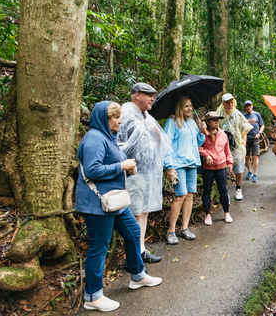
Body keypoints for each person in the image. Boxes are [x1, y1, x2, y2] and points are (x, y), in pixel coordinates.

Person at [76, 101, 162, 312]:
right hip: (98, 204)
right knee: (99, 247)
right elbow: (92, 169)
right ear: (103, 120)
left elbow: (112, 163)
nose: (119, 121)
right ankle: (93, 296)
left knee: (133, 233)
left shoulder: (108, 137)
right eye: (115, 117)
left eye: (119, 116)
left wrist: (126, 168)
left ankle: (137, 275)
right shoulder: (94, 138)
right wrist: (121, 166)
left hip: (115, 200)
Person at [117, 83, 172, 264]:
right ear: (136, 95)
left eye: (153, 95)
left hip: (148, 172)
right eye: (148, 95)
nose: (152, 98)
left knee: (144, 211)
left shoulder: (146, 116)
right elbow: (118, 144)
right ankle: (131, 257)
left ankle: (140, 251)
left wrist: (153, 129)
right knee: (135, 212)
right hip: (133, 173)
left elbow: (160, 142)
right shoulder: (125, 113)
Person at [164, 96, 206, 245]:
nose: (189, 109)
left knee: (190, 196)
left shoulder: (193, 124)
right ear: (179, 108)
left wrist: (201, 132)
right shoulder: (173, 122)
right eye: (185, 106)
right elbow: (166, 144)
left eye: (190, 106)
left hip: (192, 163)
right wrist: (169, 166)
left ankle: (184, 228)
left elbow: (197, 143)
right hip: (178, 164)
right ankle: (171, 231)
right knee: (180, 196)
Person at [199, 111, 234, 225]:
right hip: (208, 167)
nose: (216, 122)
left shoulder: (223, 135)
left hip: (221, 166)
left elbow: (227, 150)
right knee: (207, 190)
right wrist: (206, 155)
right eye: (213, 120)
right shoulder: (202, 134)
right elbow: (198, 147)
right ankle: (207, 215)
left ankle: (226, 212)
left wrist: (230, 163)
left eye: (217, 120)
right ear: (208, 122)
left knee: (223, 190)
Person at [216, 93, 253, 201]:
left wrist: (244, 144)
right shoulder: (218, 113)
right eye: (227, 102)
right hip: (223, 146)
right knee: (223, 169)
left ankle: (238, 188)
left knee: (239, 168)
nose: (230, 104)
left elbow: (244, 129)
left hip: (237, 146)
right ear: (223, 103)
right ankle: (225, 191)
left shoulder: (238, 114)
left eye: (231, 102)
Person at [243, 100, 264, 183]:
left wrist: (259, 133)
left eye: (249, 105)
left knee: (255, 156)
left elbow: (262, 125)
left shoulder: (257, 114)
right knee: (247, 156)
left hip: (255, 137)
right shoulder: (243, 116)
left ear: (252, 106)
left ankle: (255, 174)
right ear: (245, 107)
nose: (248, 107)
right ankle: (249, 171)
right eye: (247, 106)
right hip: (246, 138)